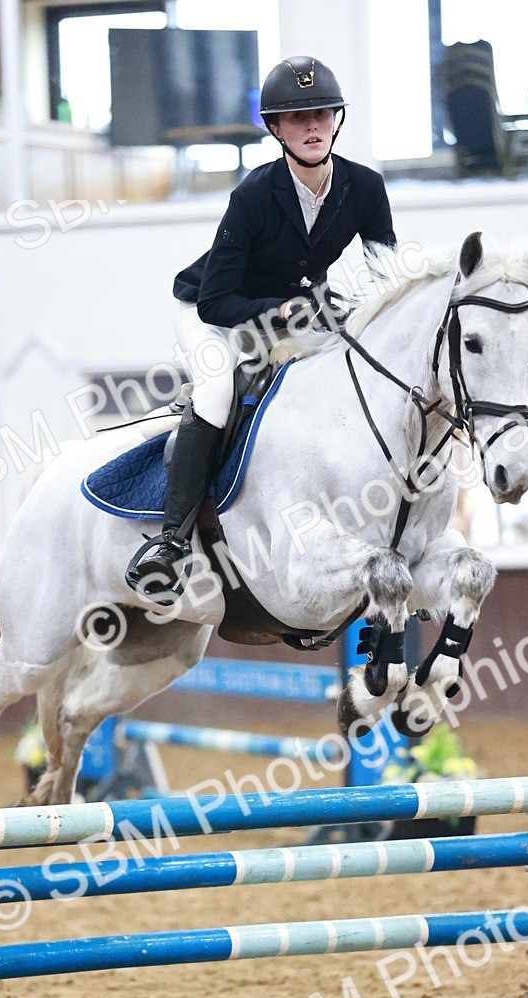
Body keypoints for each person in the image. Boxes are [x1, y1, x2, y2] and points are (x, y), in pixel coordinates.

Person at [126, 55, 397, 601]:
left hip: (295, 310)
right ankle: (172, 542)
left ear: (337, 120)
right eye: (298, 118)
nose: (313, 125)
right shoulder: (253, 196)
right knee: (218, 387)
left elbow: (387, 275)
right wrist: (278, 309)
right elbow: (214, 301)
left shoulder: (364, 187)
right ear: (276, 128)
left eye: (322, 113)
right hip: (213, 312)